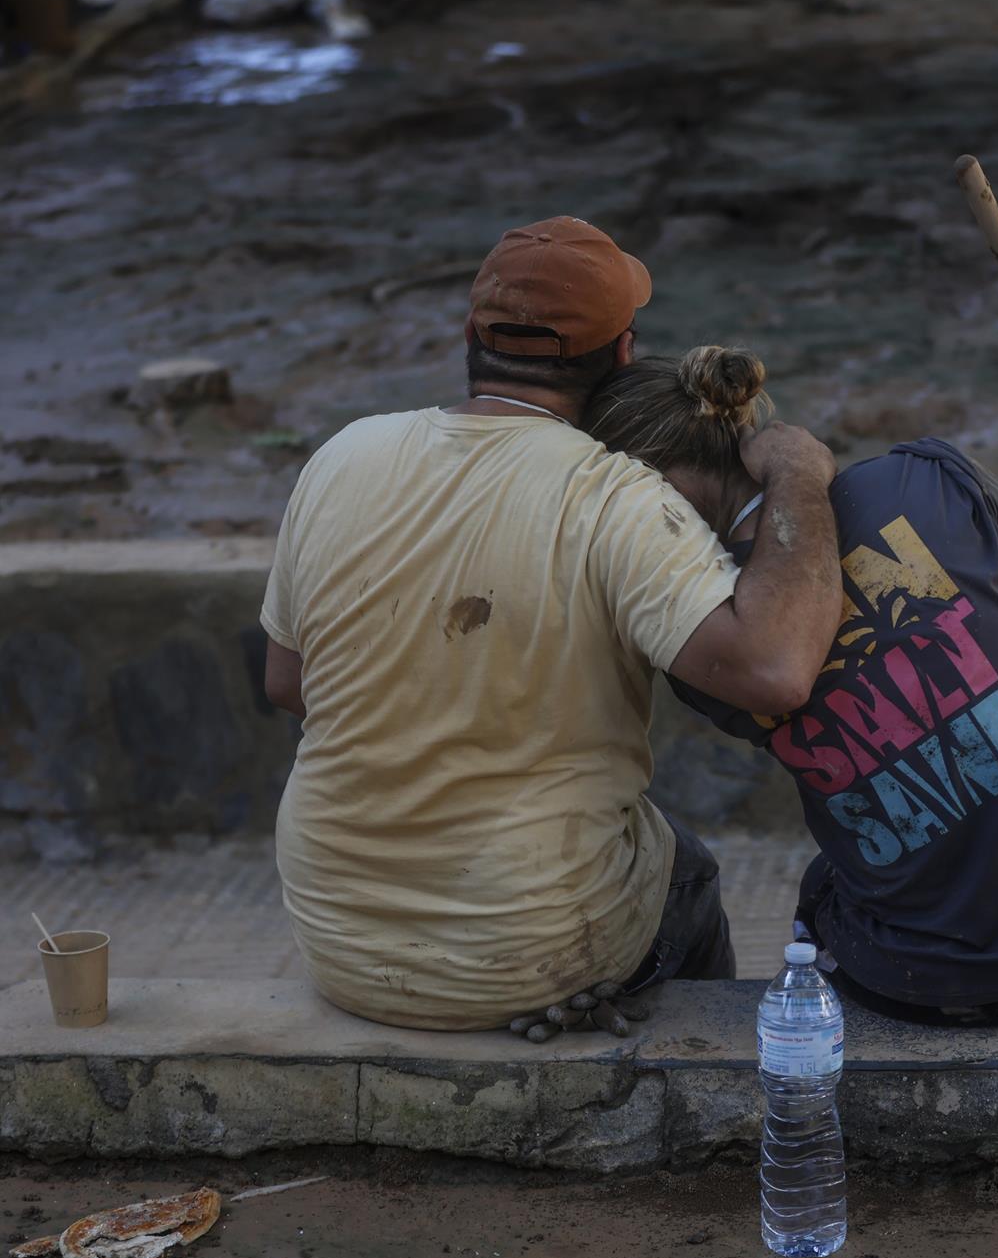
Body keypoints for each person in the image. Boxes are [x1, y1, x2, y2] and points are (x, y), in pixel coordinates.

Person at [259, 217, 844, 1035]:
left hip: (341, 947)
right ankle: (699, 1082)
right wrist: (800, 478)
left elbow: (288, 684)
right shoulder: (615, 499)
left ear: (470, 335)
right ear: (624, 355)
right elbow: (776, 670)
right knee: (688, 872)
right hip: (534, 953)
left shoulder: (342, 455)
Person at [582, 346, 998, 1026]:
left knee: (822, 902)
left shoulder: (708, 638)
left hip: (934, 988)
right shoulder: (933, 477)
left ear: (645, 489)